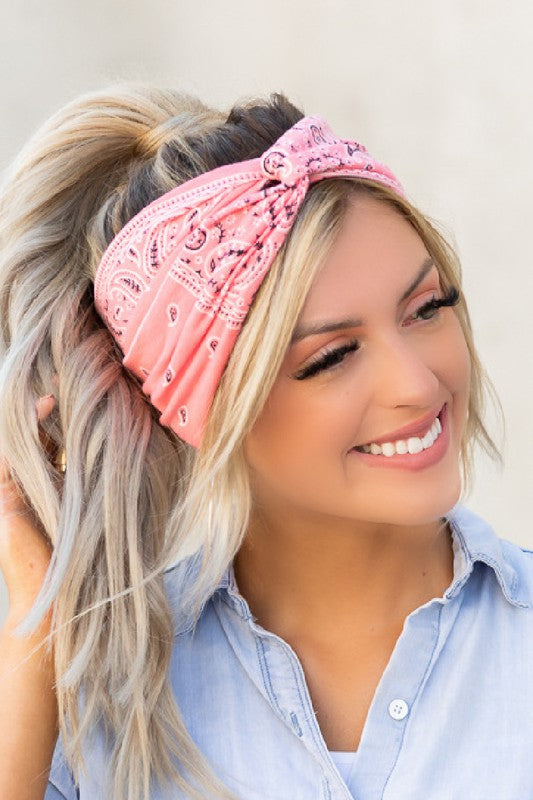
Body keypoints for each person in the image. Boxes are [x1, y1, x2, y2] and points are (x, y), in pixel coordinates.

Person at [0, 85, 532, 800]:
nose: (417, 383)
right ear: (201, 409)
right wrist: (36, 632)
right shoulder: (83, 714)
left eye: (427, 308)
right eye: (331, 357)